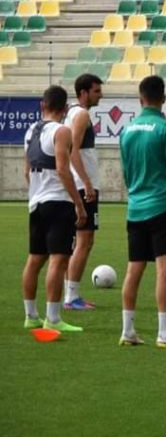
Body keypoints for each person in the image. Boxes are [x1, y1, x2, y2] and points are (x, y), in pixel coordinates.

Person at [119, 75, 166, 348]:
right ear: (163, 98)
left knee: (134, 269)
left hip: (135, 208)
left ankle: (128, 330)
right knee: (165, 272)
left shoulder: (126, 130)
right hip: (161, 207)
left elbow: (126, 171)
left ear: (140, 99)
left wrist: (135, 193)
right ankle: (165, 333)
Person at [22, 86, 88, 333]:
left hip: (36, 202)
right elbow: (62, 169)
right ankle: (52, 317)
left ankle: (31, 315)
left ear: (43, 105)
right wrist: (79, 204)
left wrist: (36, 191)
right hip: (58, 202)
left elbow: (26, 171)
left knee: (34, 259)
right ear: (65, 109)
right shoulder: (62, 131)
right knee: (59, 259)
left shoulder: (30, 131)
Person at [63, 73, 104, 311]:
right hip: (82, 184)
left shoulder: (70, 112)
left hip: (74, 184)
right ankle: (72, 297)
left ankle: (70, 293)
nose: (101, 95)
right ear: (83, 93)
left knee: (76, 242)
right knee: (85, 241)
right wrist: (87, 183)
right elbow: (73, 151)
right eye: (96, 91)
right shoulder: (81, 115)